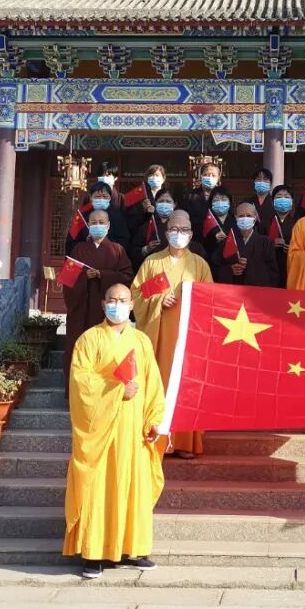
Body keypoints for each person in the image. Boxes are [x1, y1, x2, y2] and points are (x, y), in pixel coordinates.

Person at [63, 282, 164, 580]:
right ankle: (93, 554)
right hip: (100, 432)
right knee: (99, 487)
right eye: (112, 300)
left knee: (133, 487)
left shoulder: (141, 341)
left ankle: (133, 549)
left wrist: (154, 419)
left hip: (133, 430)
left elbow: (153, 383)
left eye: (122, 300)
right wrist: (117, 389)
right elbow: (80, 384)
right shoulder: (89, 339)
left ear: (132, 305)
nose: (116, 305)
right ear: (103, 303)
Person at [132, 209, 213, 458]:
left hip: (187, 338)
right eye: (175, 229)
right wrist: (158, 300)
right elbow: (136, 295)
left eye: (184, 230)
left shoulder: (199, 264)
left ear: (192, 234)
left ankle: (185, 442)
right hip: (158, 337)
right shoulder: (152, 262)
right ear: (166, 233)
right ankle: (156, 440)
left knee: (185, 387)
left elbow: (210, 300)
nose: (179, 234)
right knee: (158, 384)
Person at [61, 207, 134, 389]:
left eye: (102, 222)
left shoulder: (117, 250)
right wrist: (84, 276)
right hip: (82, 309)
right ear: (88, 225)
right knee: (79, 348)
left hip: (107, 310)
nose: (98, 226)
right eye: (93, 223)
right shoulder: (78, 249)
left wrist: (103, 275)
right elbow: (67, 279)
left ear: (108, 226)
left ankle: (110, 388)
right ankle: (76, 390)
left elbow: (127, 277)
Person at [212, 201, 279, 286]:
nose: (245, 218)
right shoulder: (227, 241)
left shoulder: (265, 242)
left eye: (249, 215)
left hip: (256, 290)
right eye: (241, 216)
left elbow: (272, 272)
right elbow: (215, 267)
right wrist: (229, 270)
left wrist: (250, 266)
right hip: (232, 289)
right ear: (236, 217)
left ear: (255, 218)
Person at [131, 188, 177, 269]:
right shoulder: (148, 225)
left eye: (168, 201)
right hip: (151, 268)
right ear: (155, 203)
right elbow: (133, 251)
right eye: (161, 201)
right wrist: (147, 249)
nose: (164, 204)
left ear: (174, 204)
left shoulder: (180, 225)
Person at [124, 163, 169, 241]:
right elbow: (131, 220)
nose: (154, 178)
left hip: (163, 235)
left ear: (163, 178)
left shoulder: (168, 197)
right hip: (143, 237)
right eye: (151, 175)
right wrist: (144, 212)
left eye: (157, 175)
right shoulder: (139, 196)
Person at [184, 160, 223, 241]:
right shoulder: (190, 196)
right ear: (201, 176)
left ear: (218, 178)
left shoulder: (223, 197)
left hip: (217, 240)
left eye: (213, 175)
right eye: (206, 175)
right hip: (195, 239)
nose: (210, 178)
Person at [269, 183, 296, 285]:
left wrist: (292, 249)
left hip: (291, 268)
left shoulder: (298, 223)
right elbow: (258, 245)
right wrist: (271, 244)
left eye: (286, 197)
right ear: (273, 201)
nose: (283, 199)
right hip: (270, 269)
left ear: (292, 201)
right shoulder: (265, 222)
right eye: (279, 197)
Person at [201, 185, 234, 261]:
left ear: (229, 202)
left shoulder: (235, 220)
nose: (220, 202)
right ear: (211, 203)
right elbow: (201, 243)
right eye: (216, 200)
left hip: (230, 261)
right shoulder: (205, 220)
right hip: (210, 260)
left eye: (223, 199)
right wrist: (213, 239)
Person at [252, 166, 276, 233]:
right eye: (258, 179)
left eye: (265, 179)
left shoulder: (275, 202)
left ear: (270, 183)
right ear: (254, 182)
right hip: (253, 237)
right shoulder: (247, 202)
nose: (261, 181)